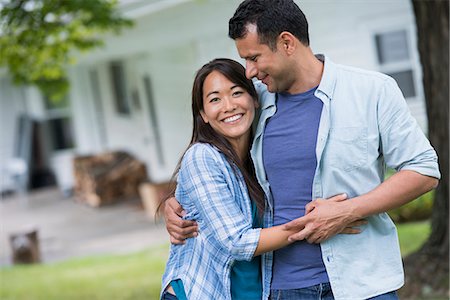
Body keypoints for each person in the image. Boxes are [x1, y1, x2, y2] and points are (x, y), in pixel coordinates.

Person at [164, 1, 441, 299]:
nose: (250, 71)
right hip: (285, 288)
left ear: (286, 43)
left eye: (254, 57)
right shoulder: (252, 103)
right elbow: (216, 161)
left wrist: (348, 211)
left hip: (363, 282)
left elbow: (423, 170)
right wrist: (178, 204)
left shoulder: (372, 91)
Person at [160, 58, 359, 300]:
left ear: (254, 98)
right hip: (200, 292)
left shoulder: (259, 157)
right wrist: (316, 222)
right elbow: (237, 242)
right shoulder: (202, 157)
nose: (229, 105)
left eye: (236, 93)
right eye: (214, 99)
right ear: (203, 114)